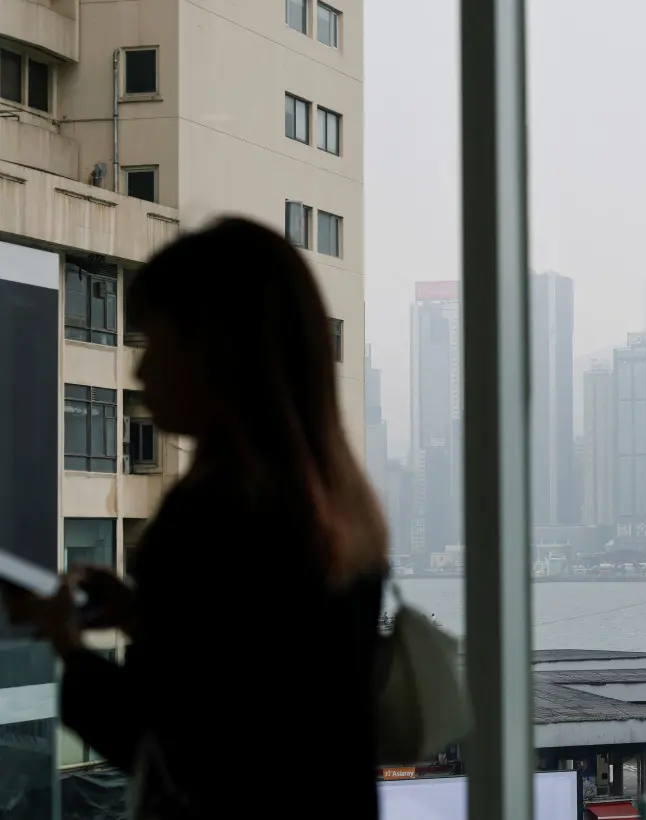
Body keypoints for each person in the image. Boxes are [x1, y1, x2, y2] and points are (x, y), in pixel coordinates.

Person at [3, 217, 388, 817]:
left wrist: (70, 648)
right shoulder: (333, 509)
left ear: (216, 351)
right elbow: (256, 690)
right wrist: (142, 615)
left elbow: (182, 748)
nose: (140, 370)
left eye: (155, 341)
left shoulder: (215, 514)